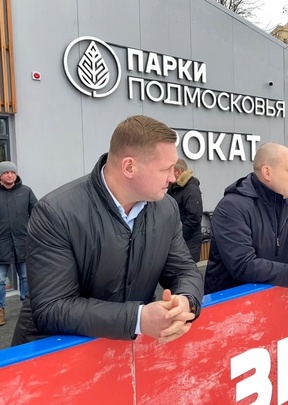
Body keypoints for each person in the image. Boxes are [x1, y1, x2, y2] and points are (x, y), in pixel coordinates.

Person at [12, 115, 204, 346]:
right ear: (129, 167)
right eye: (166, 169)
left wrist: (185, 301)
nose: (173, 178)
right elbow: (52, 308)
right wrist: (138, 319)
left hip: (123, 351)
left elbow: (184, 270)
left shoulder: (166, 208)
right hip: (54, 356)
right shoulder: (56, 212)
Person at [204, 142, 288, 294]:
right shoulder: (232, 207)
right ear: (267, 172)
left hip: (271, 300)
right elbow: (243, 265)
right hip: (229, 306)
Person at [0, 161, 37, 327]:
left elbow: (36, 213)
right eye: (6, 172)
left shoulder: (26, 191)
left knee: (26, 278)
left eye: (12, 172)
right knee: (0, 280)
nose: (10, 175)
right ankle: (0, 310)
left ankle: (26, 310)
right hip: (1, 244)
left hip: (23, 242)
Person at [167, 159, 203, 262]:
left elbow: (194, 218)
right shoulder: (173, 188)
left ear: (178, 172)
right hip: (178, 242)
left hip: (188, 243)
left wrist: (178, 236)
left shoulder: (191, 189)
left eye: (170, 171)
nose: (168, 175)